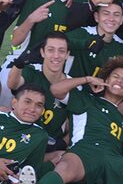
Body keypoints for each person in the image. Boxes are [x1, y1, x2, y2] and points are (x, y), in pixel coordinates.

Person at [0, 0, 78, 100]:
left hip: (56, 67)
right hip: (28, 63)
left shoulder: (78, 3)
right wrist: (31, 19)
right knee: (5, 87)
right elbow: (15, 40)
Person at [6, 32, 73, 163]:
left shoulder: (71, 85)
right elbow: (12, 84)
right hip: (21, 136)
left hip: (49, 143)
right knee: (2, 110)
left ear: (67, 55)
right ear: (42, 52)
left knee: (64, 157)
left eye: (61, 51)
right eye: (51, 50)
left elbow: (77, 125)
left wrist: (61, 143)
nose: (56, 56)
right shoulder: (32, 71)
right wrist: (19, 63)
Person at [65, 2, 123, 92]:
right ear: (96, 17)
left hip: (99, 97)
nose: (111, 19)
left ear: (122, 20)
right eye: (106, 14)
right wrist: (85, 44)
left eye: (116, 15)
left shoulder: (121, 46)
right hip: (71, 91)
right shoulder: (83, 33)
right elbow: (58, 41)